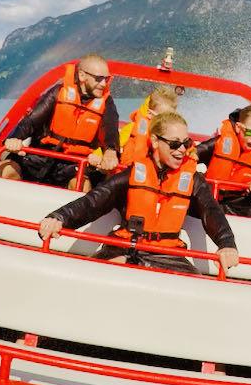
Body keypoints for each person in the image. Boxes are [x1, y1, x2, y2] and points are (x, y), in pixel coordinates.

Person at [38, 112, 240, 275]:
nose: (181, 150)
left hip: (168, 255)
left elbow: (211, 211)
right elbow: (94, 201)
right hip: (124, 247)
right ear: (155, 141)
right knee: (99, 271)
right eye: (174, 143)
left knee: (194, 288)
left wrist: (227, 244)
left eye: (186, 144)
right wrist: (59, 217)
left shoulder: (194, 180)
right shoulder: (133, 174)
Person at [0, 53, 120, 190]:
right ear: (82, 76)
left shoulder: (107, 103)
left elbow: (110, 131)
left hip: (73, 165)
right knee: (6, 170)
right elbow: (30, 122)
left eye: (107, 79)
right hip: (40, 155)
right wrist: (14, 139)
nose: (103, 84)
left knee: (82, 186)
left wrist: (111, 151)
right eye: (98, 78)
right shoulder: (58, 92)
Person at [195, 104, 251, 218]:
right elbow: (195, 153)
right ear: (238, 127)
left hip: (238, 202)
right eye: (249, 132)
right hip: (209, 197)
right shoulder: (220, 142)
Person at [116, 85, 179, 168]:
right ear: (150, 114)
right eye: (162, 118)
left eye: (171, 118)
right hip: (130, 170)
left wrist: (191, 151)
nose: (166, 122)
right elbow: (112, 148)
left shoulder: (174, 135)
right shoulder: (130, 129)